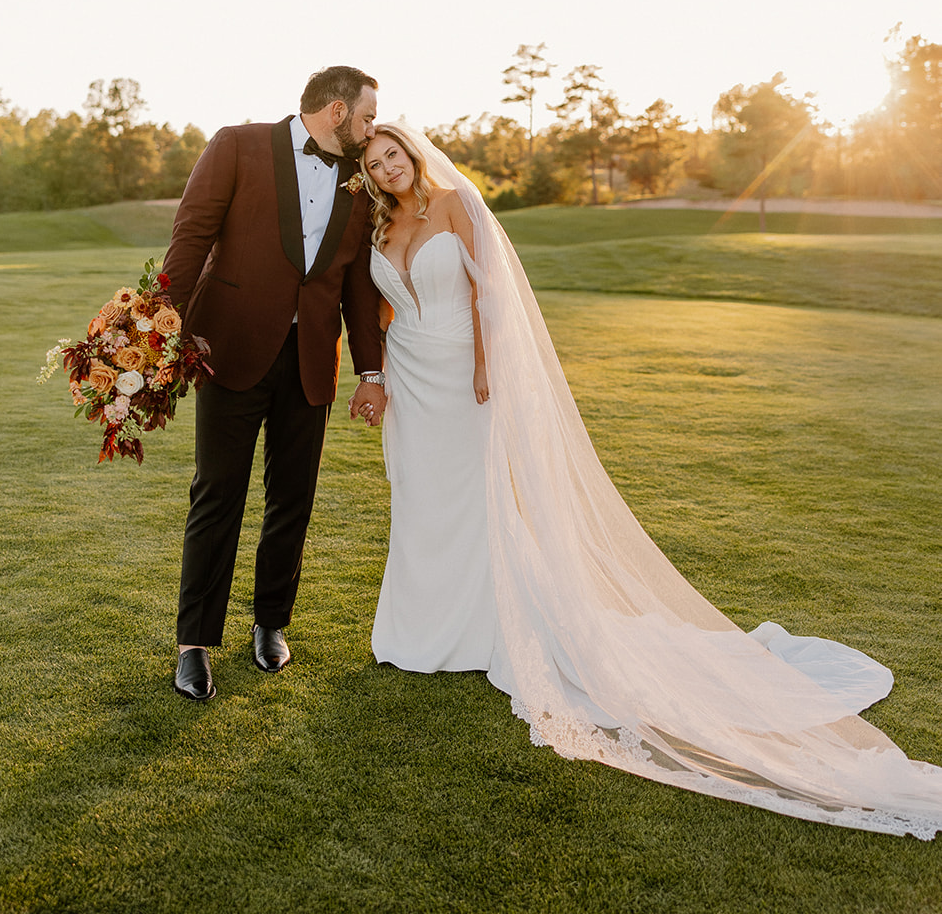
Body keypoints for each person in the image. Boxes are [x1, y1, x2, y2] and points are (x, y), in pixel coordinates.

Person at [355, 123, 942, 838]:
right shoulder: (380, 228)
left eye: (393, 156)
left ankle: (484, 630)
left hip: (463, 375)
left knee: (478, 502)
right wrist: (376, 376)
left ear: (412, 154)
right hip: (412, 380)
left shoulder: (456, 204)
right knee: (422, 501)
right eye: (374, 163)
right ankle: (418, 632)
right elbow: (380, 309)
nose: (386, 169)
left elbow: (488, 298)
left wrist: (484, 366)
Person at [162, 66, 388, 700]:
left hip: (311, 360)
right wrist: (159, 324)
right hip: (229, 351)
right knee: (217, 494)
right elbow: (191, 235)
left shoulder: (359, 181)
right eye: (368, 116)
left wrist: (370, 370)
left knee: (293, 497)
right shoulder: (236, 144)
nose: (373, 129)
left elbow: (357, 284)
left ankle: (270, 623)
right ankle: (195, 643)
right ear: (338, 112)